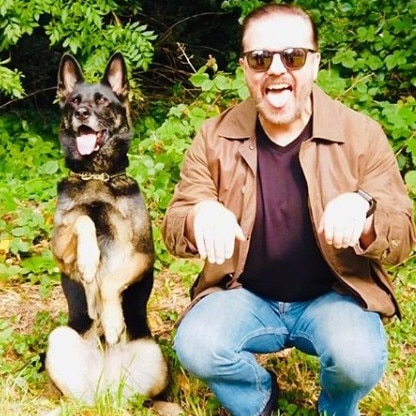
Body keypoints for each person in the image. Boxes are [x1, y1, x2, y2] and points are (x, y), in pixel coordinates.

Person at [162, 4, 415, 416]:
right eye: (260, 59)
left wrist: (366, 212)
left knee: (359, 359)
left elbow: (403, 232)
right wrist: (199, 214)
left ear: (314, 63)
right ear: (245, 69)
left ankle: (334, 409)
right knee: (197, 344)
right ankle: (259, 401)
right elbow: (175, 222)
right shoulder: (213, 137)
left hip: (334, 297)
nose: (276, 69)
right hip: (245, 295)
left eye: (292, 56)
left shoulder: (361, 134)